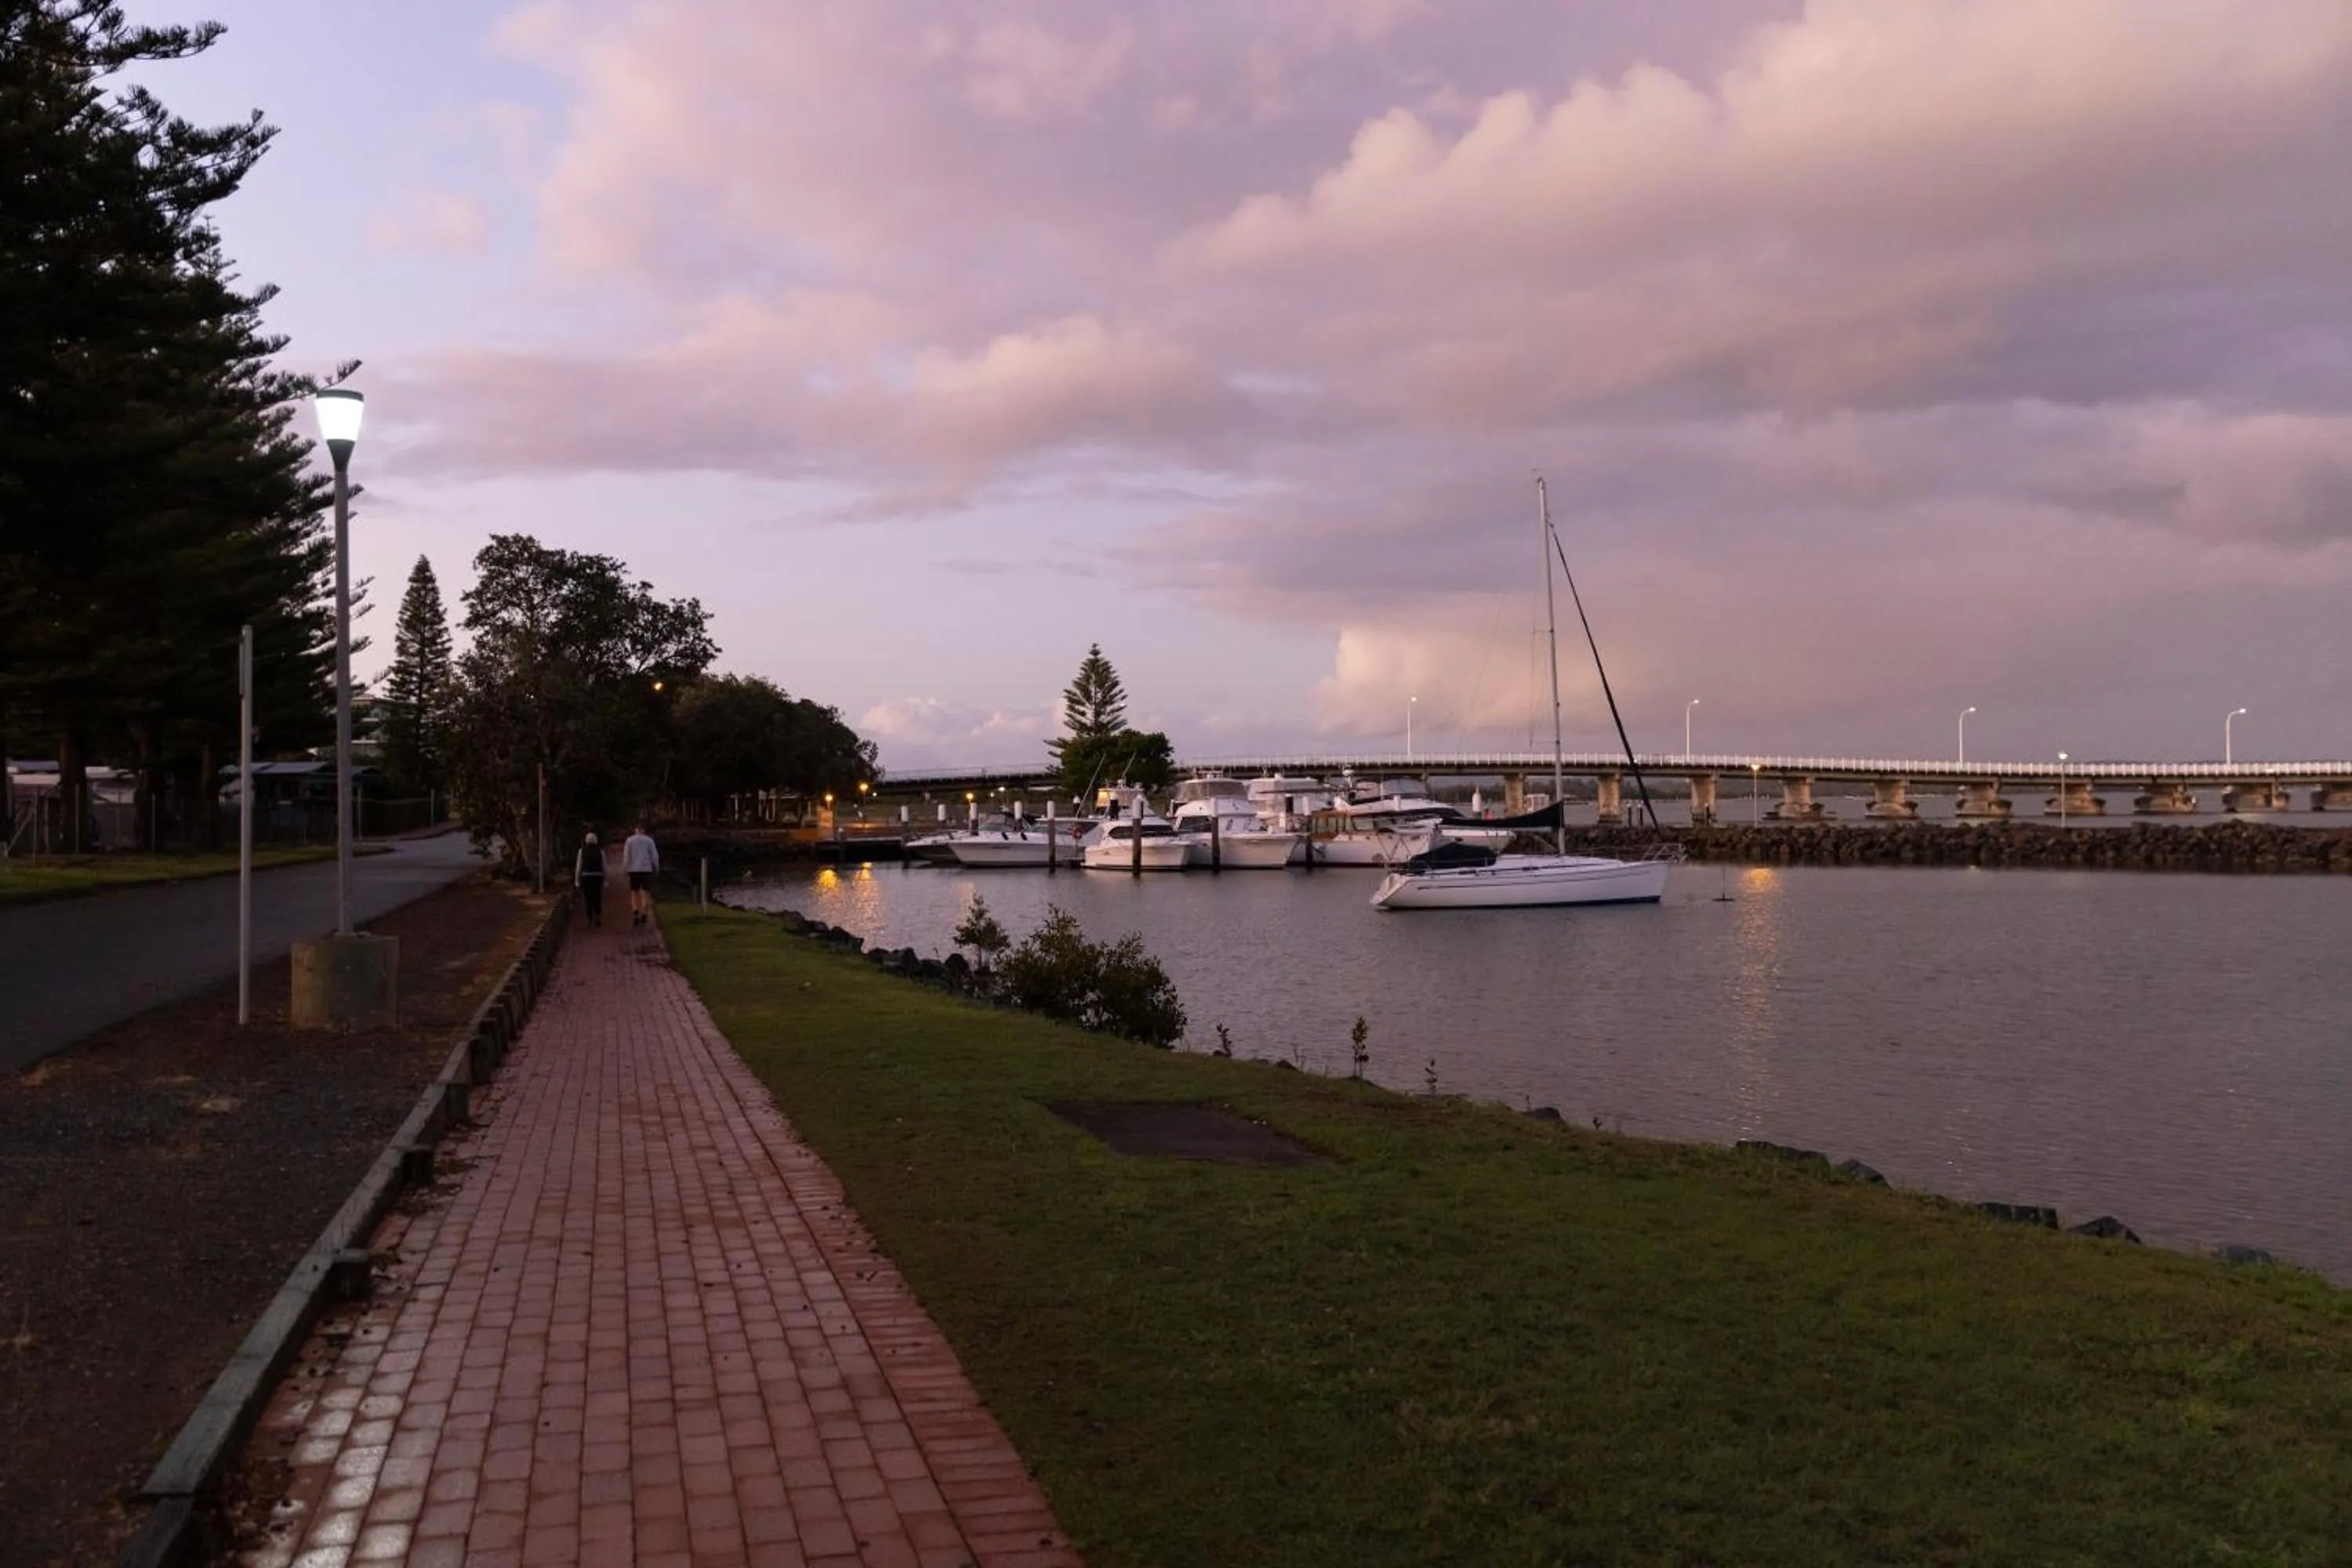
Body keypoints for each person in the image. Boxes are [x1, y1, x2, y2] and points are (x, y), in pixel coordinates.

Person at [622, 822, 660, 926]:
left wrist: (625, 870)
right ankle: (644, 912)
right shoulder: (649, 841)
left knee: (634, 893)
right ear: (644, 830)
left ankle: (636, 911)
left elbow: (626, 857)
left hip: (634, 870)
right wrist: (656, 867)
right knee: (646, 893)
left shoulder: (629, 841)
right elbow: (654, 856)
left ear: (635, 829)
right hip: (646, 869)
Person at [574, 831, 607, 927]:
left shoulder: (582, 851)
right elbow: (604, 866)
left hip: (586, 876)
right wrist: (605, 879)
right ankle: (597, 915)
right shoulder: (600, 851)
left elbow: (579, 866)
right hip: (598, 876)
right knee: (597, 896)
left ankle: (589, 918)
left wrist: (577, 880)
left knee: (588, 898)